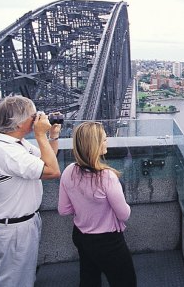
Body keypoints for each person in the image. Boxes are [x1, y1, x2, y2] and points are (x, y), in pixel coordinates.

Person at [0, 96, 61, 287]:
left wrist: (53, 136)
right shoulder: (7, 152)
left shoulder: (14, 144)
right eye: (33, 116)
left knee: (23, 279)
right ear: (19, 123)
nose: (36, 120)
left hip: (21, 224)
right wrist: (40, 135)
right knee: (16, 283)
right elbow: (52, 171)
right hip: (15, 229)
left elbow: (46, 160)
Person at [58, 122, 136, 287]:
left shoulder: (68, 171)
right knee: (125, 282)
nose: (106, 142)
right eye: (104, 139)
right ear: (94, 145)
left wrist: (85, 207)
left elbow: (64, 210)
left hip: (81, 237)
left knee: (89, 279)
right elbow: (124, 214)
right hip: (108, 242)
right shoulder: (107, 177)